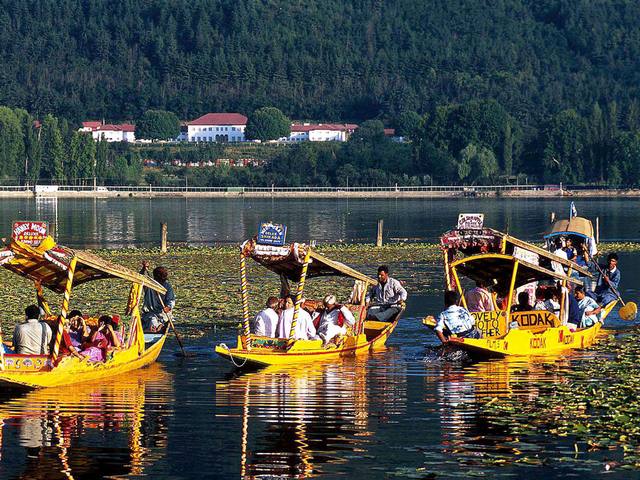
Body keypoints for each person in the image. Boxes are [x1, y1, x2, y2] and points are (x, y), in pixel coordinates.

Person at [140, 262, 176, 333]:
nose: (162, 281)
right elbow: (141, 277)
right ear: (156, 278)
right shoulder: (149, 284)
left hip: (162, 314)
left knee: (156, 323)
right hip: (150, 313)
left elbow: (171, 300)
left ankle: (159, 327)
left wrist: (168, 307)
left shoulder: (168, 286)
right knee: (152, 320)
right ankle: (154, 328)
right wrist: (144, 269)